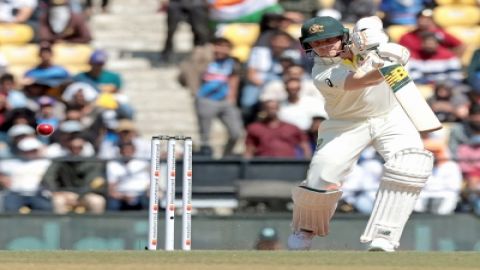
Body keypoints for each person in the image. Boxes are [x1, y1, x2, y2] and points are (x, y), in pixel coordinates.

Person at [287, 16, 433, 252]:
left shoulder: (364, 43)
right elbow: (364, 80)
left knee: (411, 163)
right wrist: (393, 62)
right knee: (321, 177)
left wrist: (381, 42)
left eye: (330, 39)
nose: (325, 46)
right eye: (317, 43)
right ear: (308, 46)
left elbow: (372, 20)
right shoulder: (322, 74)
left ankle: (384, 236)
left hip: (390, 116)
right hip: (346, 124)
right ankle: (305, 229)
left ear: (344, 37)